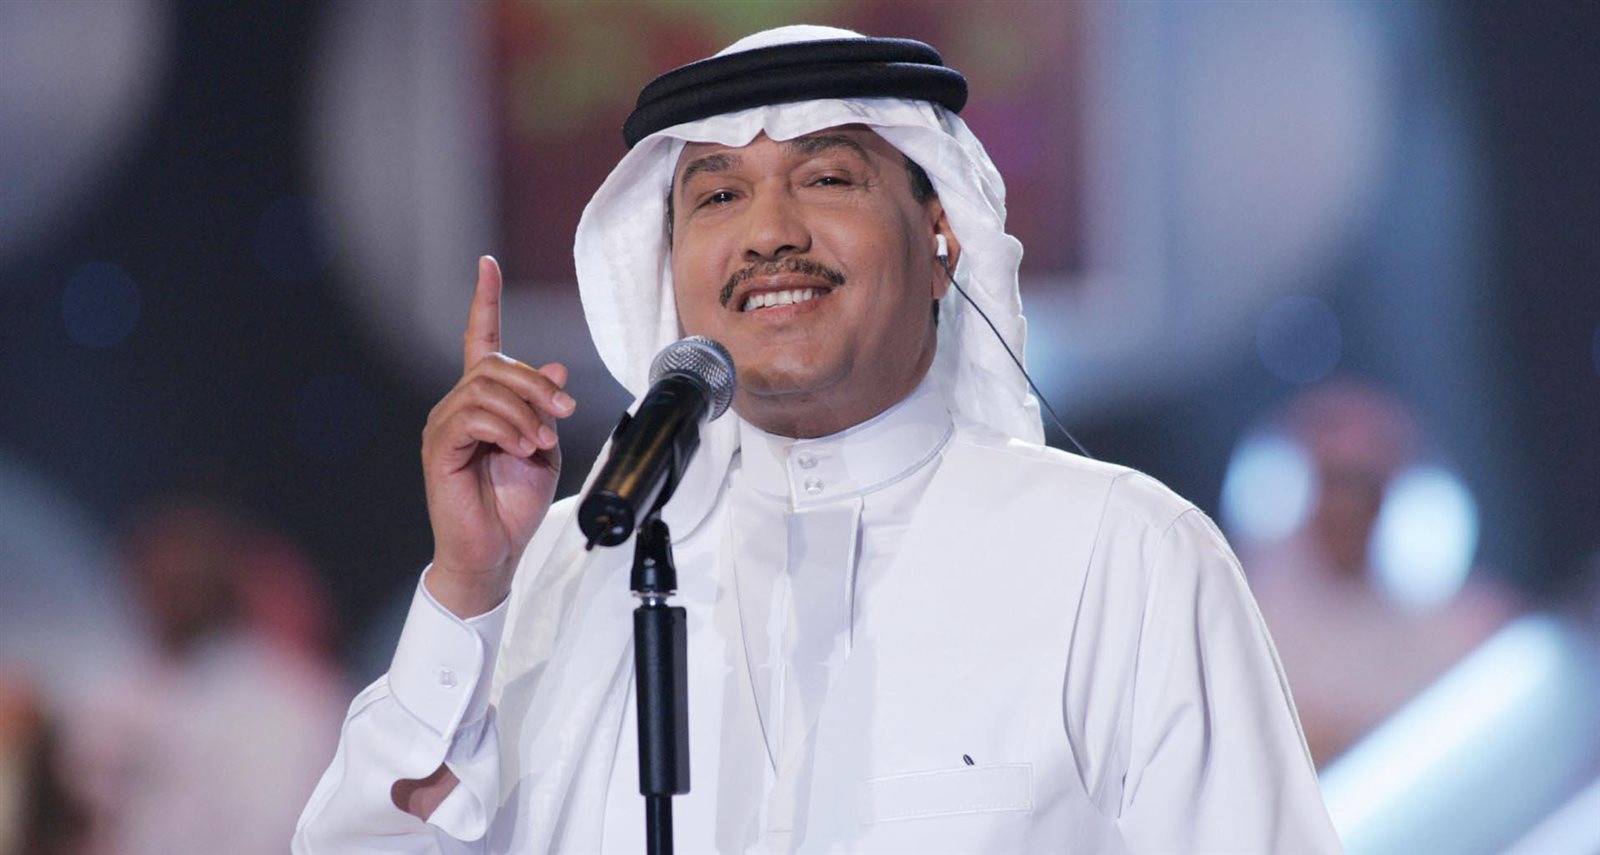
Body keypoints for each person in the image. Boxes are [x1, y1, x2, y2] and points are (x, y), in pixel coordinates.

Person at [295, 25, 1340, 853]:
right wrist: (469, 591)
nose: (769, 233)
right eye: (718, 196)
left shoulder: (1121, 555)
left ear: (941, 238)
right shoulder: (569, 572)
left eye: (828, 179)